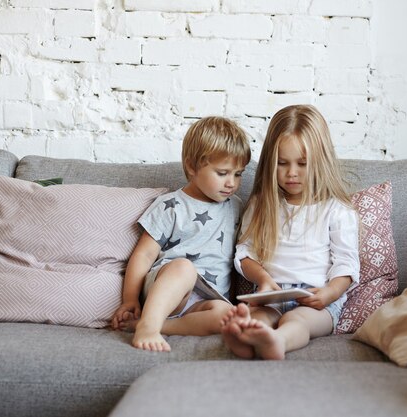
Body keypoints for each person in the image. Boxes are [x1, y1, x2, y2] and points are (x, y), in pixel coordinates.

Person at [221, 104, 359, 360]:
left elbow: (347, 264)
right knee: (256, 318)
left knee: (298, 320)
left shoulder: (337, 210)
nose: (291, 173)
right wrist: (263, 280)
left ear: (321, 161)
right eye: (282, 163)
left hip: (317, 301)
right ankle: (245, 340)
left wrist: (330, 293)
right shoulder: (262, 204)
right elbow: (245, 253)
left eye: (302, 164)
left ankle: (278, 341)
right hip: (272, 296)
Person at [112, 116, 251, 352]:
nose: (231, 183)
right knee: (185, 268)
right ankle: (149, 325)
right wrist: (130, 299)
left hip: (206, 300)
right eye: (222, 173)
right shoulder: (171, 205)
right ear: (192, 167)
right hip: (167, 289)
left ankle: (158, 326)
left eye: (238, 174)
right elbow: (143, 256)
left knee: (228, 315)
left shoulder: (236, 207)